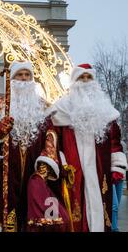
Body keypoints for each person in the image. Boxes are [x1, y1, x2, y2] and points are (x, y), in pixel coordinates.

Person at [0, 61, 60, 232]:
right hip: (7, 172)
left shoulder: (44, 107)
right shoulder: (0, 106)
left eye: (27, 75)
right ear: (12, 79)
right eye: (19, 75)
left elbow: (51, 138)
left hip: (35, 171)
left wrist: (44, 169)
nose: (24, 79)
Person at [48, 63, 127, 232]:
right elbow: (53, 141)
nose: (85, 81)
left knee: (103, 211)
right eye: (81, 78)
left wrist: (117, 167)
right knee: (74, 214)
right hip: (71, 173)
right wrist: (60, 164)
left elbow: (115, 142)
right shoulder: (60, 110)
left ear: (94, 81)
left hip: (100, 172)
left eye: (88, 77)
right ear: (74, 82)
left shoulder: (106, 111)